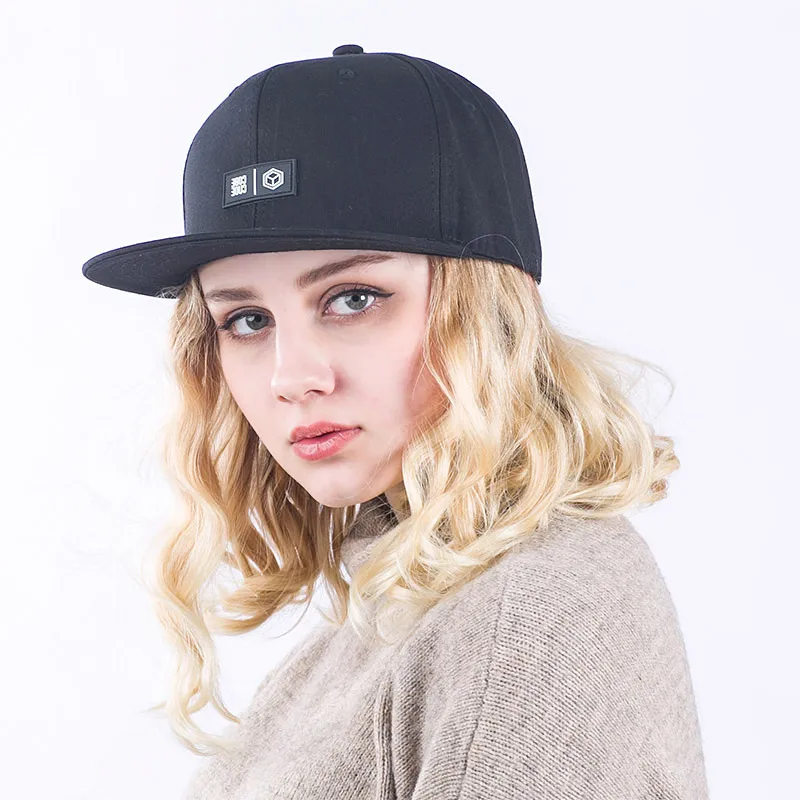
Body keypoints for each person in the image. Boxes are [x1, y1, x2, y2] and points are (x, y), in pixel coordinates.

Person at [81, 45, 709, 799]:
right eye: (247, 319)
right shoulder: (395, 603)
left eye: (352, 299)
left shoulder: (529, 614)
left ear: (490, 313)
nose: (290, 377)